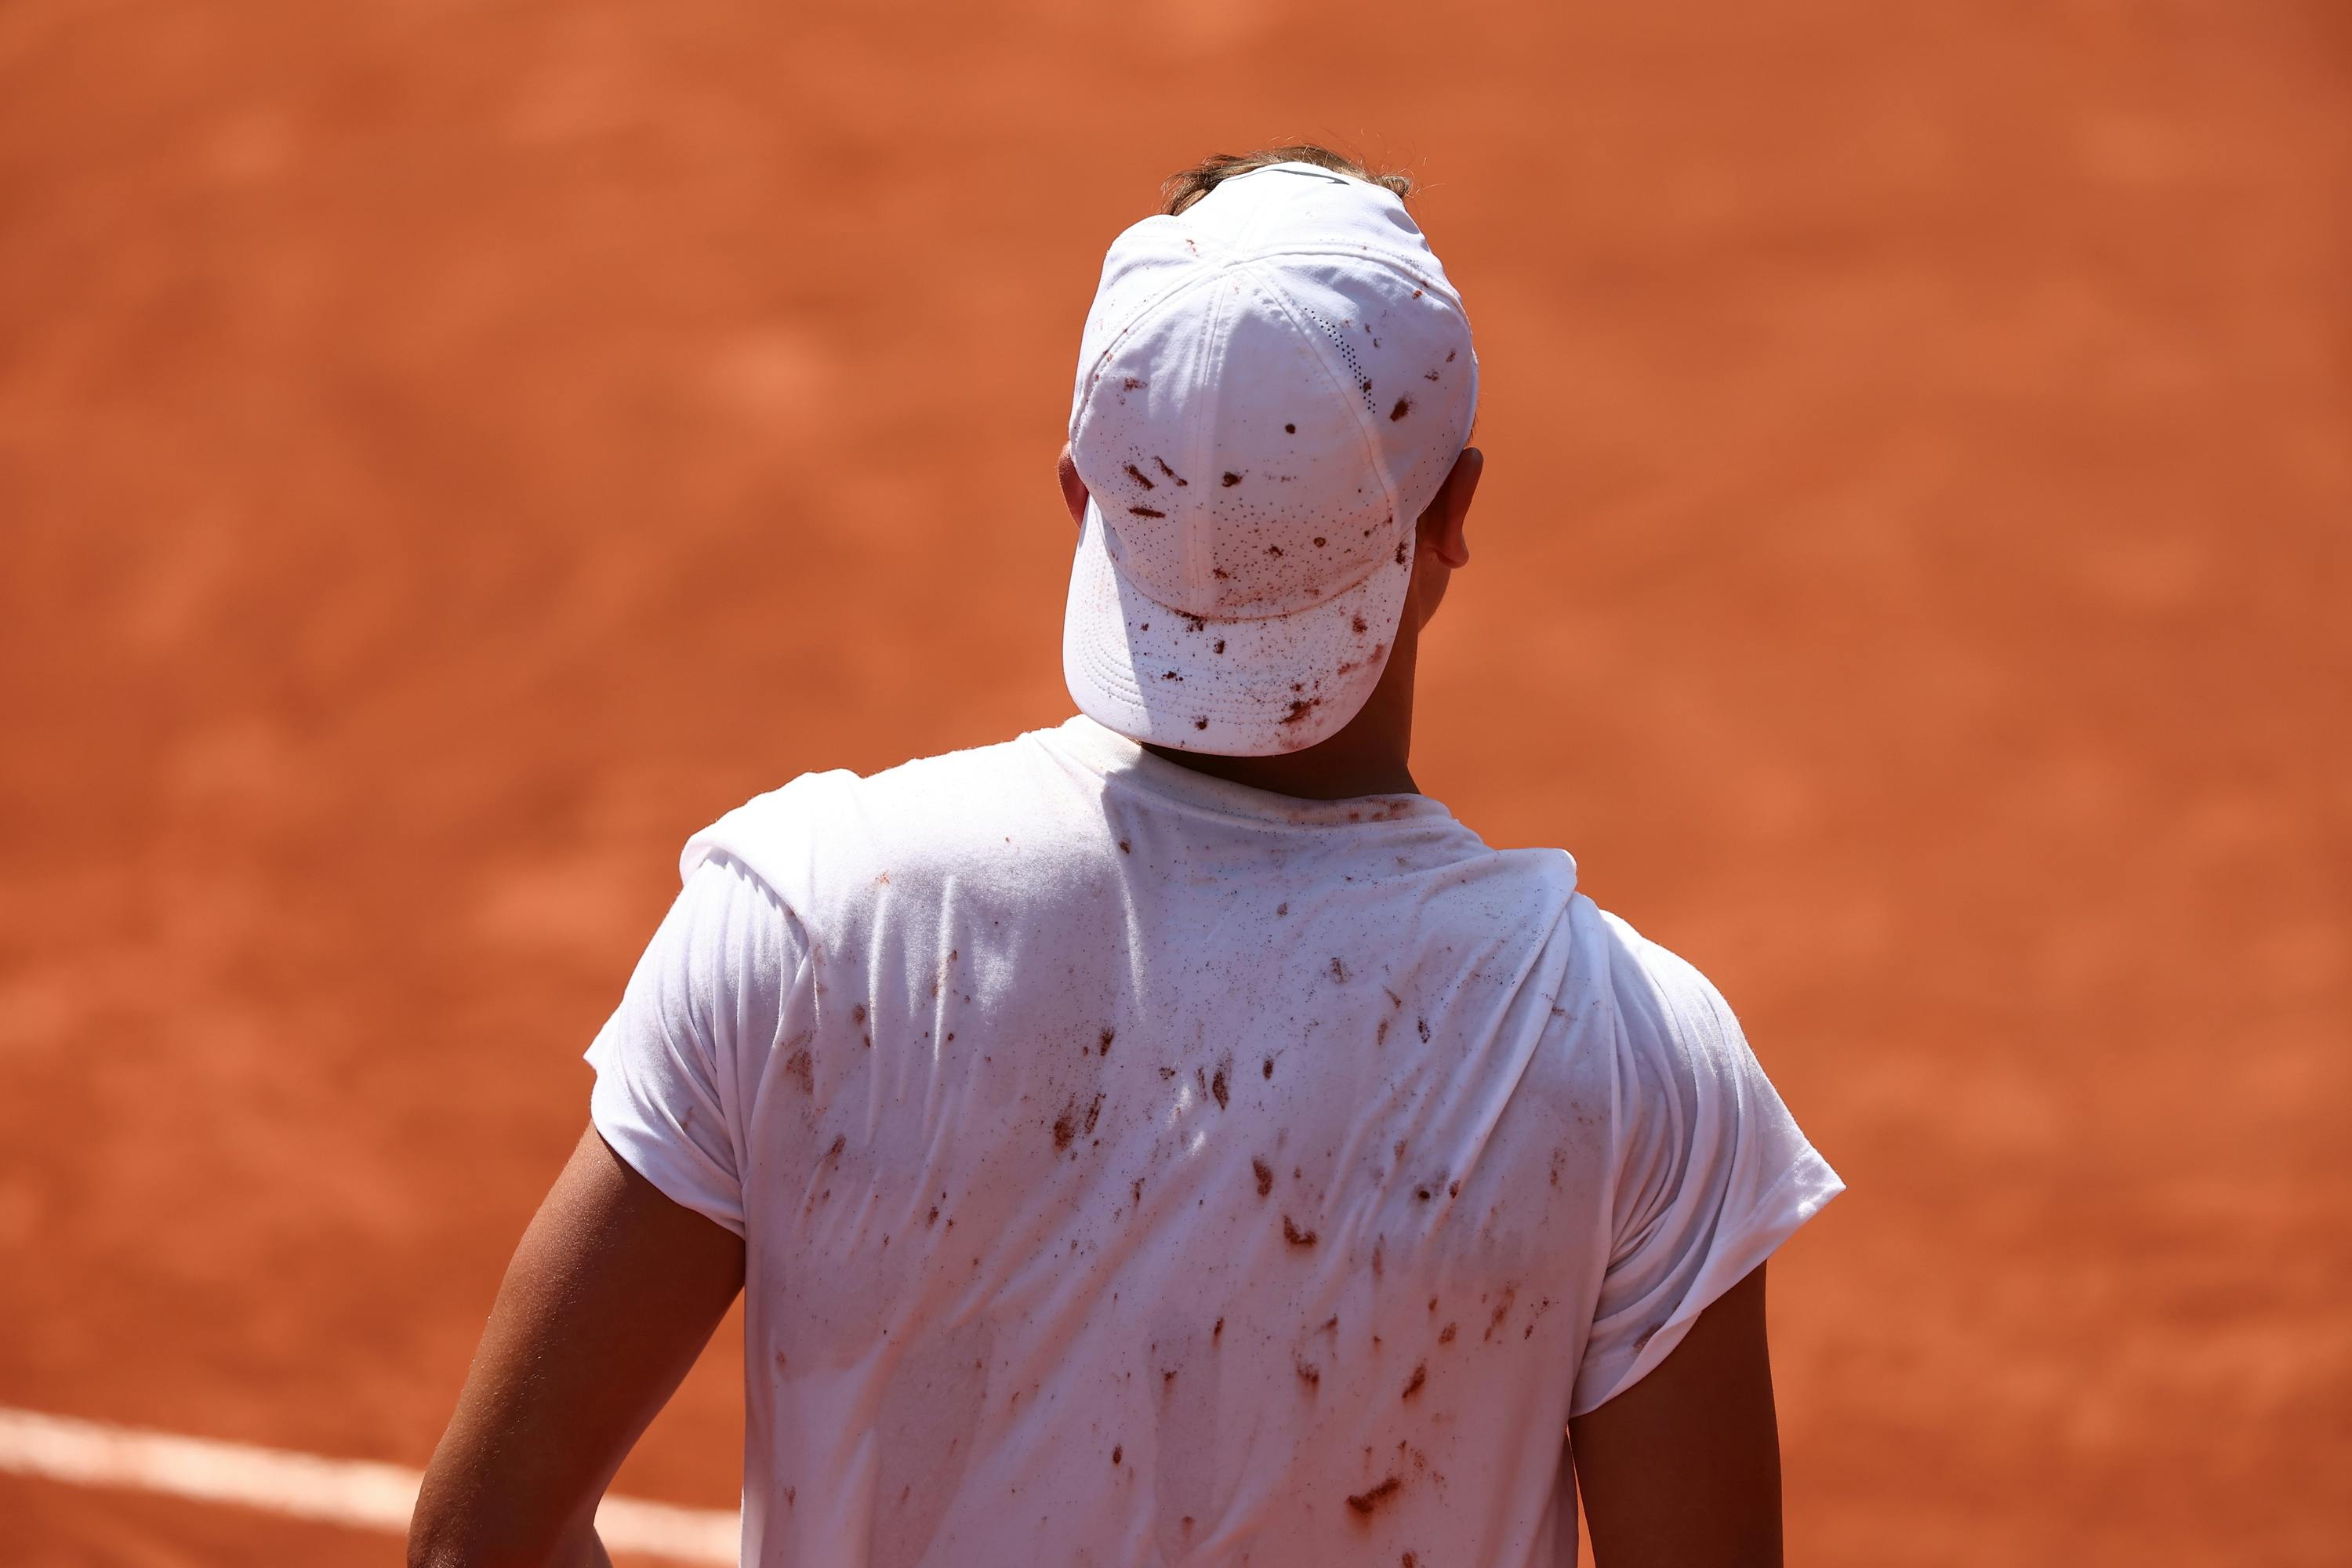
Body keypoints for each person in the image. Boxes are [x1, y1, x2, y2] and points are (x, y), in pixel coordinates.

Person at [408, 146, 1842, 1568]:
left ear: (1082, 492)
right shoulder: (1634, 1059)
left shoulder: (809, 921)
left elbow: (482, 1549)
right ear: (1453, 513)